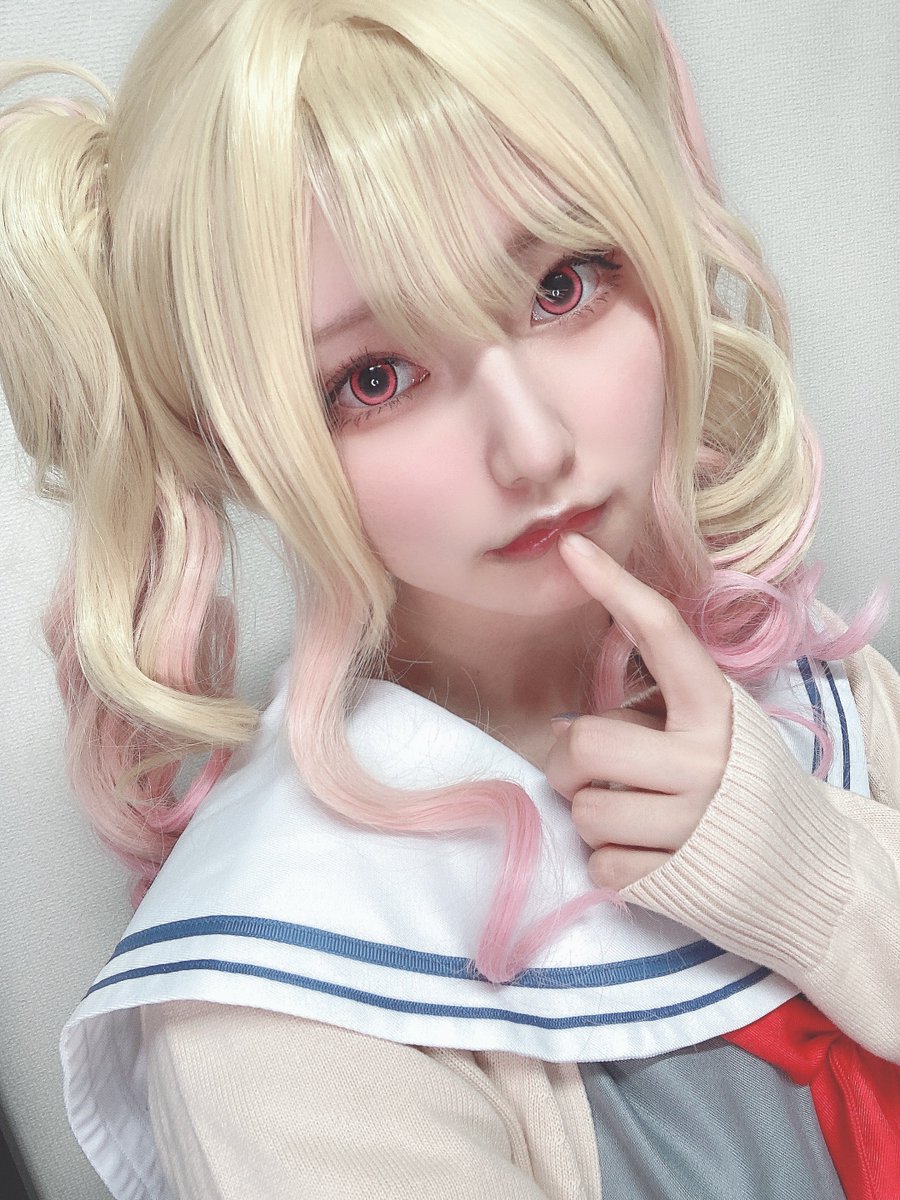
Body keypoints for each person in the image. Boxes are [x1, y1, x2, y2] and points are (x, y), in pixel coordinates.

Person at [1, 0, 898, 1197]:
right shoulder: (272, 1004)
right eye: (376, 377)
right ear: (242, 441)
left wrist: (815, 873)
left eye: (564, 285)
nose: (532, 448)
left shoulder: (806, 691)